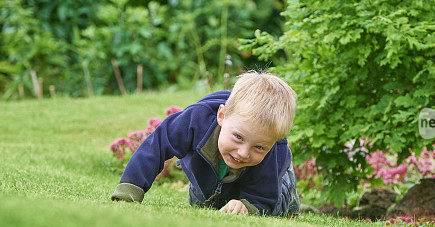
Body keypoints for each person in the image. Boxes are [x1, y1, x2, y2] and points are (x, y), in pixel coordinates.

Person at [110, 71, 300, 216]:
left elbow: (263, 197)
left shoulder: (273, 149)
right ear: (221, 116)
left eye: (259, 147)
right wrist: (129, 189)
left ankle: (290, 194)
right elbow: (157, 145)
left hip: (265, 181)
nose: (243, 152)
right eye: (238, 137)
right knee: (206, 203)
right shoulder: (195, 119)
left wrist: (248, 205)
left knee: (278, 205)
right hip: (206, 176)